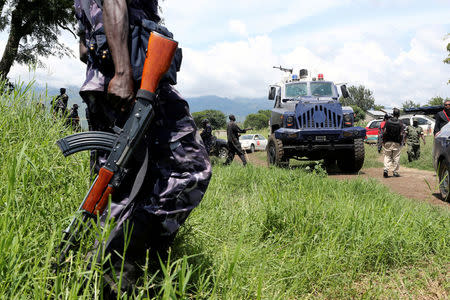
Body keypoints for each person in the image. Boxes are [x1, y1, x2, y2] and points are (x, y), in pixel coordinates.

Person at [74, 0, 211, 296]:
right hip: (131, 80)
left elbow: (84, 46)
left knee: (120, 186)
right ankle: (119, 259)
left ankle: (106, 277)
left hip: (105, 79)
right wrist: (123, 72)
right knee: (191, 169)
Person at [382, 108, 405, 177]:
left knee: (387, 155)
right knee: (396, 156)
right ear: (399, 115)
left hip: (388, 141)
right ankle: (395, 172)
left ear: (393, 114)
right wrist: (401, 141)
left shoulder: (388, 122)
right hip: (396, 142)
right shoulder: (400, 123)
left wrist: (383, 140)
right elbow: (401, 134)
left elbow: (384, 132)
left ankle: (386, 169)